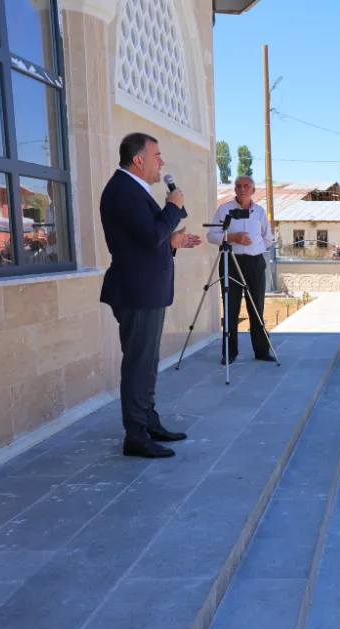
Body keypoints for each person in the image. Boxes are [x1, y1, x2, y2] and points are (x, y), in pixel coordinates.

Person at [99, 132, 201, 459]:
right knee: (138, 365)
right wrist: (172, 208)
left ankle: (148, 421)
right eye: (157, 156)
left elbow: (149, 239)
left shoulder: (133, 190)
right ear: (138, 160)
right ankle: (136, 436)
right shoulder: (123, 191)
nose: (162, 162)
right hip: (136, 292)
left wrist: (171, 242)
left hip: (146, 289)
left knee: (148, 362)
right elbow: (149, 236)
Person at [207, 175, 275, 364]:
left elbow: (267, 238)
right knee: (230, 307)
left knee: (256, 307)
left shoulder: (260, 212)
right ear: (234, 189)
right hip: (231, 262)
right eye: (238, 186)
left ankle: (261, 351)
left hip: (255, 263)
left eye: (246, 186)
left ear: (253, 190)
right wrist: (232, 237)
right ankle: (229, 353)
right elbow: (211, 235)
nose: (242, 189)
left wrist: (254, 247)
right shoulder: (224, 209)